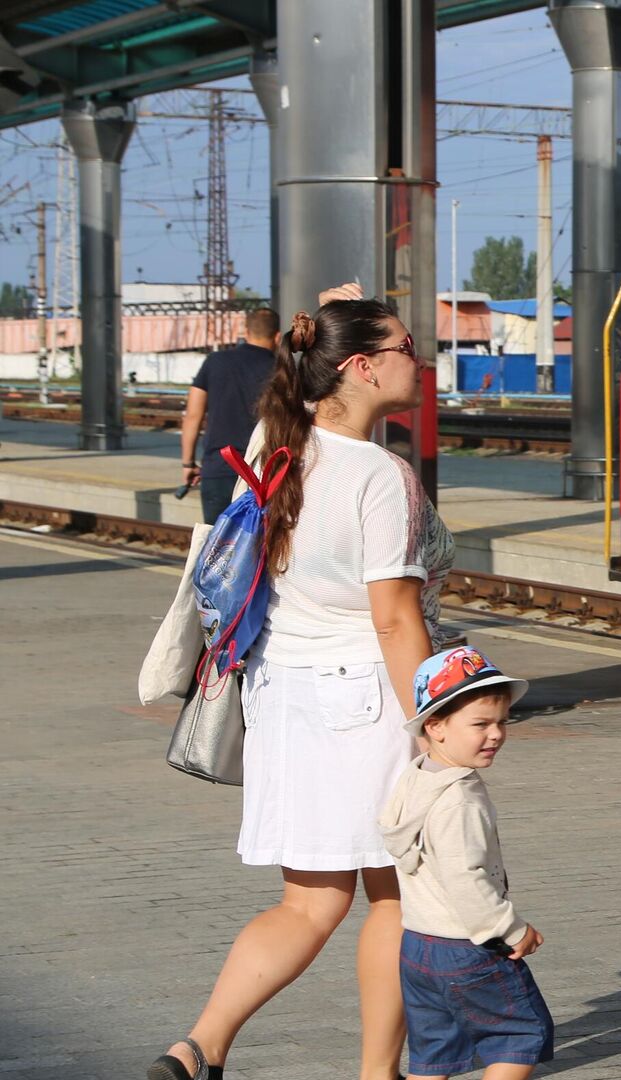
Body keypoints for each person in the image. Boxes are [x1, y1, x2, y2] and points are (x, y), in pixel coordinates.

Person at [147, 283, 457, 1080]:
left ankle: (199, 1048)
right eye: (404, 348)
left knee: (309, 906)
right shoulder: (379, 476)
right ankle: (375, 1075)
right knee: (398, 899)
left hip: (282, 696)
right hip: (366, 701)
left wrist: (327, 313)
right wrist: (432, 717)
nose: (418, 361)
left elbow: (303, 362)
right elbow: (394, 619)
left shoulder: (272, 446)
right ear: (360, 366)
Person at [380, 646, 551, 1080]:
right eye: (480, 724)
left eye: (502, 723)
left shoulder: (416, 777)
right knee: (519, 1035)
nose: (495, 734)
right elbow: (466, 879)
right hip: (466, 948)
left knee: (434, 1050)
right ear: (435, 726)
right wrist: (510, 930)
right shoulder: (459, 798)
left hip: (418, 944)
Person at [182, 308, 279, 524]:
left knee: (216, 549)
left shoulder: (215, 362)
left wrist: (188, 464)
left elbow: (192, 416)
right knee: (259, 551)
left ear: (245, 331)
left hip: (218, 469)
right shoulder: (282, 369)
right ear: (277, 337)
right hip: (262, 475)